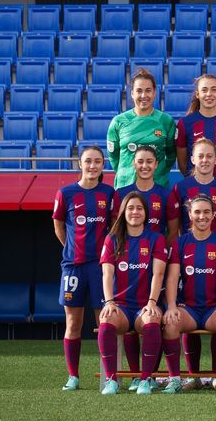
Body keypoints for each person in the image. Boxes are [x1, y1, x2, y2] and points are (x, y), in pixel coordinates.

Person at [51, 146, 115, 391]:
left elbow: (112, 227)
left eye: (97, 161)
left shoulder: (109, 194)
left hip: (100, 268)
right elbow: (58, 225)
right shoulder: (65, 193)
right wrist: (71, 248)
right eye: (88, 161)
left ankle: (108, 377)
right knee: (73, 323)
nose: (92, 166)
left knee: (104, 322)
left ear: (102, 166)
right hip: (73, 268)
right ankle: (73, 376)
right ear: (80, 164)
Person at [161, 195, 216, 394]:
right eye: (197, 212)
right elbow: (172, 278)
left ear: (214, 215)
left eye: (206, 212)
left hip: (214, 307)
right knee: (170, 323)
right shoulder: (180, 243)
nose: (201, 216)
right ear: (189, 215)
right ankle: (175, 379)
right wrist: (171, 307)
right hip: (190, 308)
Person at [112, 144, 174, 387]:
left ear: (156, 164)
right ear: (133, 164)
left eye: (150, 161)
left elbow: (173, 229)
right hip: (128, 262)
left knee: (152, 315)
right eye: (141, 161)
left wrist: (160, 254)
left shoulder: (166, 194)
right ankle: (137, 375)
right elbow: (116, 229)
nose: (145, 165)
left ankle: (153, 374)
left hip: (156, 263)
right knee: (129, 315)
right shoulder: (121, 193)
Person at [97, 191, 169, 395]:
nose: (135, 212)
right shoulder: (112, 239)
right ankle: (112, 380)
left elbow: (158, 274)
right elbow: (106, 273)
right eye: (130, 208)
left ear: (145, 213)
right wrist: (109, 302)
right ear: (123, 212)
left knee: (152, 320)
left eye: (139, 208)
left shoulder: (156, 238)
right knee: (106, 320)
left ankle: (145, 379)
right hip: (121, 305)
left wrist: (153, 302)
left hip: (144, 305)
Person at [107, 67, 176, 188]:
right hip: (125, 187)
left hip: (157, 188)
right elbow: (113, 157)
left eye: (148, 90)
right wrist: (127, 173)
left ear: (154, 92)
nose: (143, 95)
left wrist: (158, 174)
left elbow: (171, 156)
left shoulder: (166, 121)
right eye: (139, 91)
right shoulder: (118, 122)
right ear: (132, 93)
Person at [169, 138, 216, 237]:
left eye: (209, 156)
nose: (205, 160)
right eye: (200, 156)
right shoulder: (180, 187)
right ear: (193, 159)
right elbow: (177, 225)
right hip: (188, 248)